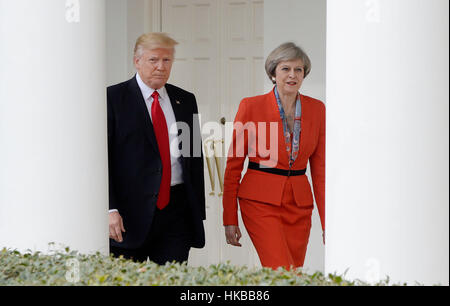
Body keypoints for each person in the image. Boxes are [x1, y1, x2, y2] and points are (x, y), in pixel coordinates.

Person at [222, 42, 325, 270]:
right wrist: (229, 218)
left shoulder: (317, 109)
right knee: (280, 269)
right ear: (273, 73)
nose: (292, 75)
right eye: (285, 69)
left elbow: (320, 172)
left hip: (299, 205)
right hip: (259, 202)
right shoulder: (251, 106)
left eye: (298, 70)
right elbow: (233, 166)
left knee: (293, 272)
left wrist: (327, 223)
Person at [107, 33, 205, 264]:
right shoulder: (113, 98)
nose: (161, 67)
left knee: (173, 280)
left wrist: (197, 210)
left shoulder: (185, 99)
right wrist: (110, 208)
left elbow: (193, 155)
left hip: (176, 212)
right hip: (128, 215)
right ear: (137, 61)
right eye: (153, 60)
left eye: (166, 60)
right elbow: (103, 159)